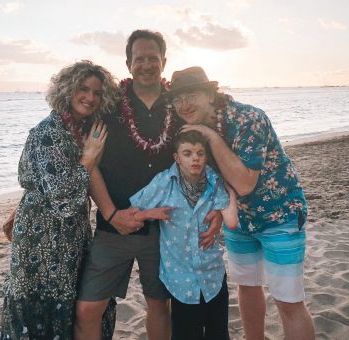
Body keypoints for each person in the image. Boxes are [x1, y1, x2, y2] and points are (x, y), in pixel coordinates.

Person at [74, 30, 221, 340]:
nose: (146, 64)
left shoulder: (179, 107)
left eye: (152, 58)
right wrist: (113, 214)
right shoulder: (110, 106)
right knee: (88, 309)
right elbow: (91, 163)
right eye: (139, 58)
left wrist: (218, 210)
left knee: (159, 305)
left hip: (166, 228)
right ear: (128, 64)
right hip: (113, 225)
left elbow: (205, 159)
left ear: (163, 62)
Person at [168, 66, 315, 340]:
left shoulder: (248, 118)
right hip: (239, 219)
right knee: (246, 287)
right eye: (177, 99)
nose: (183, 104)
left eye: (191, 95)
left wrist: (211, 136)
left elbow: (245, 183)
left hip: (279, 215)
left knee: (288, 300)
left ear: (210, 94)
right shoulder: (191, 129)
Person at [0, 60, 119, 340]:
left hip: (70, 236)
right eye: (83, 88)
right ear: (67, 89)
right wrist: (88, 157)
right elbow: (62, 197)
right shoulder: (48, 133)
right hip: (40, 239)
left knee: (70, 304)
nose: (90, 97)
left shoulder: (79, 129)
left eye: (97, 92)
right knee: (39, 309)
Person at [130, 130, 238, 340]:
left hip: (213, 275)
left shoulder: (214, 181)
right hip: (181, 280)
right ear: (176, 158)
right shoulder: (164, 183)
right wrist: (148, 213)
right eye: (187, 153)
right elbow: (134, 210)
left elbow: (232, 221)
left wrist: (228, 191)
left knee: (219, 334)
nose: (195, 158)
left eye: (200, 153)